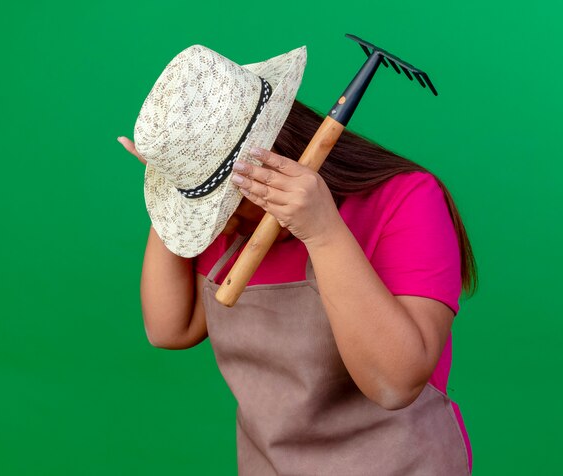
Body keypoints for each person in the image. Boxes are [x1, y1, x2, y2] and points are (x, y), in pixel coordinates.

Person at [119, 44, 477, 475]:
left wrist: (324, 233)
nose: (217, 223)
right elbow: (168, 328)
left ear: (276, 152)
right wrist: (171, 194)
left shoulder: (407, 200)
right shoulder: (225, 219)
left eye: (222, 201)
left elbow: (395, 384)